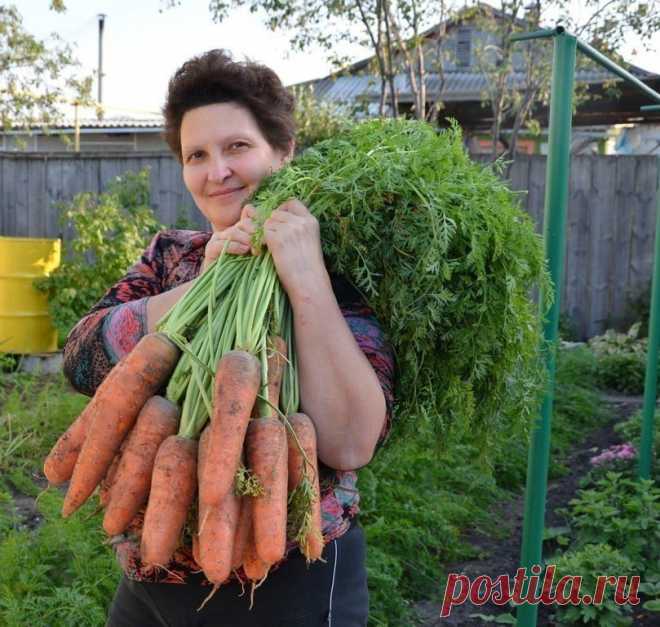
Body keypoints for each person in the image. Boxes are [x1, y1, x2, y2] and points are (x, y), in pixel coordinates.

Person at [62, 49, 395, 627]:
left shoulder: (343, 271)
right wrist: (199, 286)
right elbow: (80, 360)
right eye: (197, 155)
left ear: (283, 151)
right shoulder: (172, 257)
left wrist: (306, 275)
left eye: (237, 147)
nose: (217, 171)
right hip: (152, 568)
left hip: (286, 573)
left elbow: (349, 443)